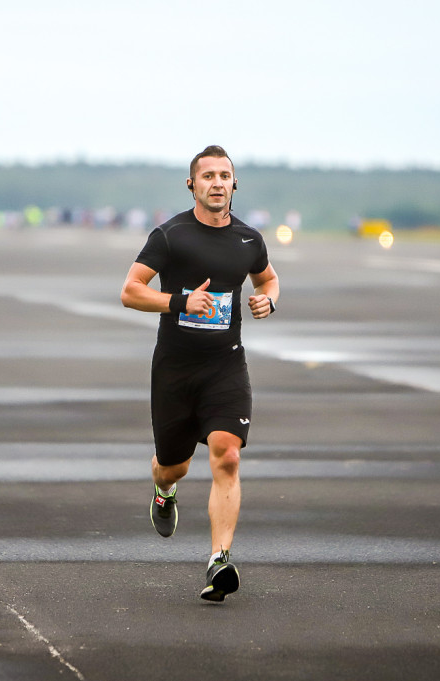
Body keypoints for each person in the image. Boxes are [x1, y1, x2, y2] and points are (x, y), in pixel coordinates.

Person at [120, 145, 280, 602]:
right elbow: (130, 291)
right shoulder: (170, 236)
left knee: (227, 454)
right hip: (175, 369)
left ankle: (219, 559)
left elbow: (267, 278)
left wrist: (269, 298)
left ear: (234, 184)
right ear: (192, 184)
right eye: (206, 175)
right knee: (175, 465)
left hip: (225, 365)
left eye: (224, 175)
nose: (216, 182)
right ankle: (163, 490)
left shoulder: (249, 240)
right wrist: (179, 302)